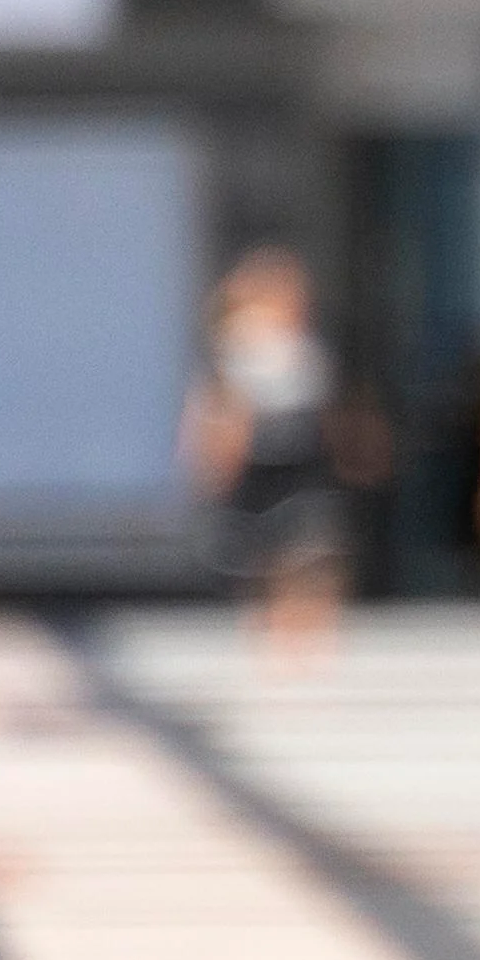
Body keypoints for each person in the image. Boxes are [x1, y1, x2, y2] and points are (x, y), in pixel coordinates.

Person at [185, 240, 376, 659]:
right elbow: (220, 414)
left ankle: (304, 636)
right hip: (260, 466)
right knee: (264, 558)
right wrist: (216, 461)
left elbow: (332, 410)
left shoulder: (308, 350)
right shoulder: (236, 348)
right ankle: (277, 637)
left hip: (303, 464)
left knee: (310, 553)